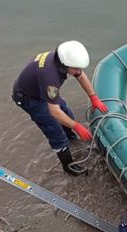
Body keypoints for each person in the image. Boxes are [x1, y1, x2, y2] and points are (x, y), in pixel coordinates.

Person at [12, 40, 108, 176]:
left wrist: (94, 98)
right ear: (65, 65)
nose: (78, 71)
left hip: (39, 90)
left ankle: (71, 138)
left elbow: (81, 76)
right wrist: (77, 126)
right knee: (55, 132)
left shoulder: (62, 60)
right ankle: (68, 166)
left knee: (67, 114)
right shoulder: (50, 77)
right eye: (76, 68)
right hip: (29, 98)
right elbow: (54, 112)